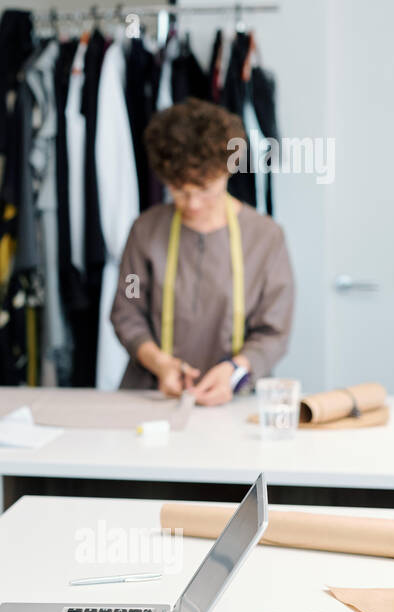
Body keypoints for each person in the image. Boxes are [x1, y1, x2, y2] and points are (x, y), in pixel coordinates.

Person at [109, 99, 294, 405]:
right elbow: (127, 310)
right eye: (180, 191)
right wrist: (160, 363)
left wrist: (235, 369)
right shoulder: (145, 231)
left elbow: (274, 331)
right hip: (153, 394)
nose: (193, 204)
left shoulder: (266, 238)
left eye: (206, 190)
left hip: (238, 397)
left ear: (228, 171)